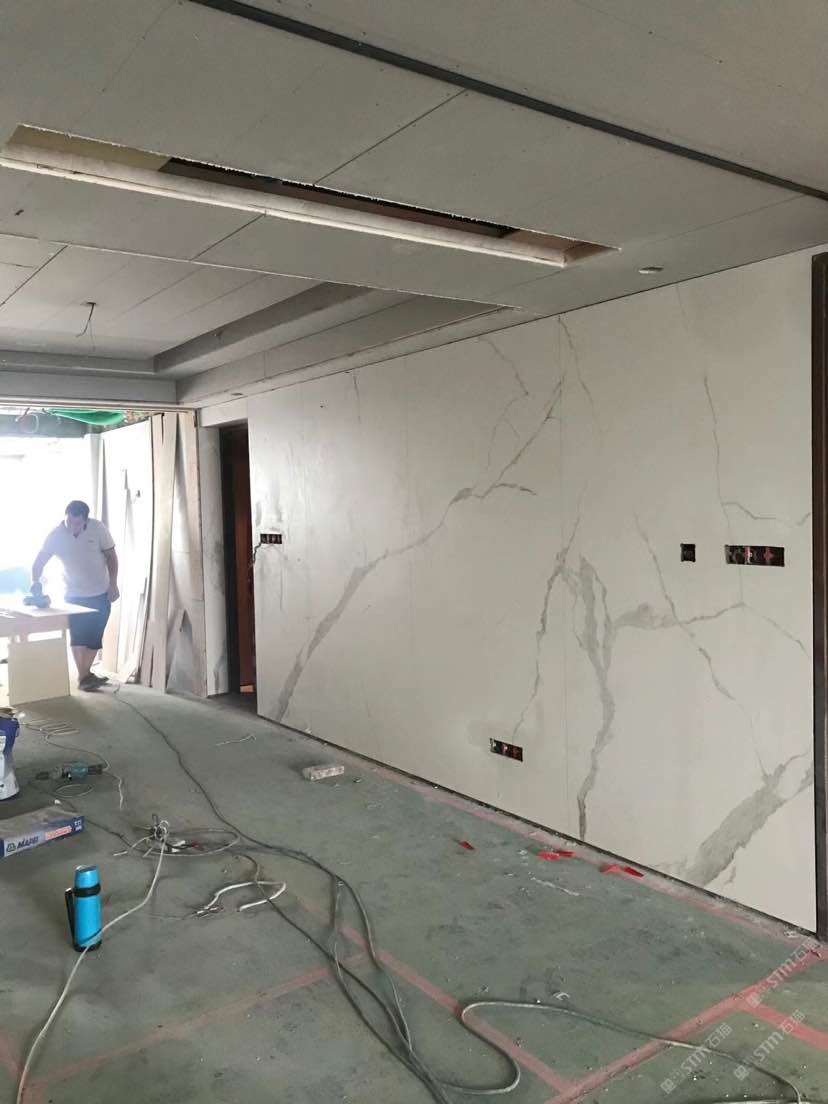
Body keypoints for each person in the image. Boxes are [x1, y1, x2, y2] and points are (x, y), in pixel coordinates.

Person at [32, 500, 120, 692]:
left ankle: (84, 675)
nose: (72, 527)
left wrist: (113, 584)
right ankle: (84, 677)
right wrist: (35, 581)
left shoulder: (98, 529)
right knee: (78, 636)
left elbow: (112, 557)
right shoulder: (56, 535)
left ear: (85, 520)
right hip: (73, 594)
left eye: (77, 523)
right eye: (69, 522)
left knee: (94, 636)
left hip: (100, 592)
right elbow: (39, 562)